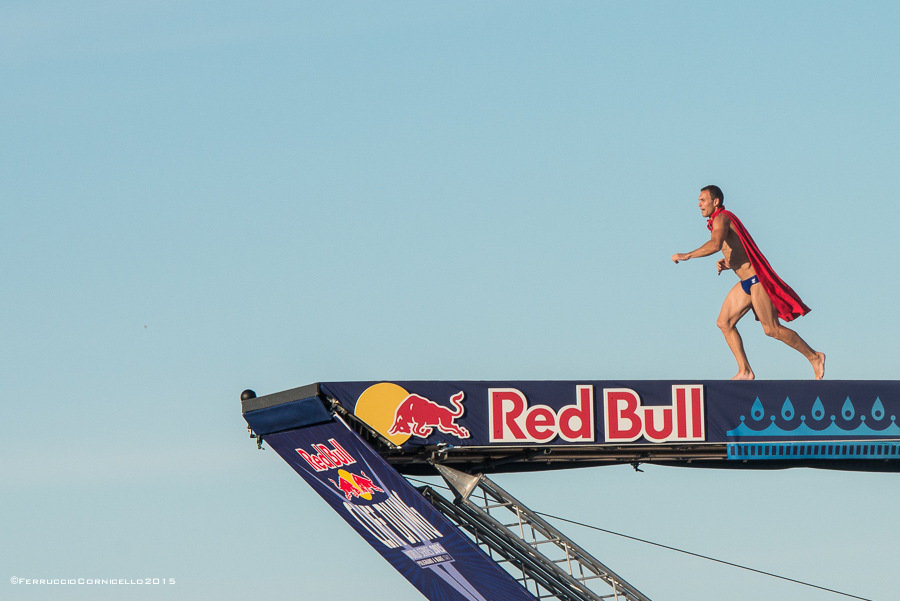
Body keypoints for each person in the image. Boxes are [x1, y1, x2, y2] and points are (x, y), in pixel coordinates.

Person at [671, 185, 825, 380]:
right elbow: (737, 248)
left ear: (715, 201)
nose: (699, 204)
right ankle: (744, 370)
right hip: (746, 282)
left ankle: (814, 357)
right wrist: (729, 262)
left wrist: (688, 255)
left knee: (771, 329)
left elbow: (715, 244)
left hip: (757, 281)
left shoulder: (722, 217)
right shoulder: (719, 219)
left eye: (703, 200)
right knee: (724, 323)